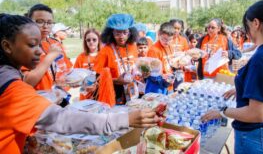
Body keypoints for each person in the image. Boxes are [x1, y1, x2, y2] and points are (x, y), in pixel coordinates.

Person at [0, 14, 159, 153]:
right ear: (7, 46)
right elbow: (62, 119)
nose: (40, 52)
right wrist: (125, 120)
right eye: (32, 44)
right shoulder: (12, 89)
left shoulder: (9, 77)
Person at [201, 0, 263, 153]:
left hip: (259, 136)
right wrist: (245, 88)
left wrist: (222, 112)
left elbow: (257, 114)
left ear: (255, 23)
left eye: (247, 26)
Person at [22, 4, 72, 90]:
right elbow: (26, 82)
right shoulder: (24, 47)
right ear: (29, 22)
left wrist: (74, 81)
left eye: (49, 22)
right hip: (39, 100)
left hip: (61, 97)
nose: (45, 26)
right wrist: (50, 57)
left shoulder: (55, 43)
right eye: (40, 21)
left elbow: (68, 71)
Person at [94, 14, 139, 104]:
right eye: (117, 33)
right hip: (113, 94)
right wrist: (115, 81)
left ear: (130, 32)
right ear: (111, 33)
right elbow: (97, 78)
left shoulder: (133, 46)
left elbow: (135, 66)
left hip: (132, 91)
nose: (121, 36)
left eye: (125, 32)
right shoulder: (105, 51)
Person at [147, 22, 175, 93]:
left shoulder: (170, 47)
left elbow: (171, 63)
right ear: (159, 34)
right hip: (157, 88)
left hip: (169, 84)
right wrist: (164, 77)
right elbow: (152, 73)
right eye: (164, 39)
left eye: (170, 39)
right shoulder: (154, 50)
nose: (167, 42)